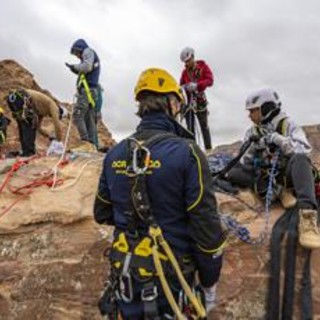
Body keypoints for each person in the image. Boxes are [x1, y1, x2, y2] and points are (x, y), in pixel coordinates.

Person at [94, 68, 226, 319]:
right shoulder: (187, 153)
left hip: (125, 280)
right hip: (170, 283)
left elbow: (101, 212)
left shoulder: (114, 154)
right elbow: (206, 229)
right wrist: (209, 283)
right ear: (173, 103)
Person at [225, 88, 320, 249]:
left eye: (253, 111)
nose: (249, 116)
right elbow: (244, 161)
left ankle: (307, 217)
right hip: (265, 174)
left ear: (266, 108)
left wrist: (278, 140)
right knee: (233, 173)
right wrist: (253, 147)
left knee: (300, 160)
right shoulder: (252, 131)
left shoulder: (288, 124)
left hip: (287, 173)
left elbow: (304, 150)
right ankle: (280, 192)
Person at [66, 38, 100, 152]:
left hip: (87, 91)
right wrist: (74, 69)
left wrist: (74, 67)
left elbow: (87, 67)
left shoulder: (88, 51)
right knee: (88, 118)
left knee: (77, 115)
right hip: (90, 91)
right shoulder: (88, 55)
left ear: (79, 49)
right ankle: (91, 146)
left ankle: (86, 143)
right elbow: (86, 70)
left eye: (76, 53)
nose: (76, 56)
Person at [6, 88, 64, 156]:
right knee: (30, 125)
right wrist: (59, 140)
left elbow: (38, 127)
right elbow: (57, 125)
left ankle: (25, 151)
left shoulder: (42, 108)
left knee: (23, 125)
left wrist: (49, 136)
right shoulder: (54, 106)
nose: (50, 116)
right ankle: (29, 152)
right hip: (23, 100)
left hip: (15, 99)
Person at [179, 47, 213, 152]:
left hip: (200, 100)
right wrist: (185, 87)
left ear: (193, 57)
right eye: (185, 62)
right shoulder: (185, 73)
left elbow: (210, 80)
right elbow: (180, 85)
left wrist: (197, 85)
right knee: (190, 128)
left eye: (188, 61)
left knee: (204, 126)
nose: (187, 63)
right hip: (189, 103)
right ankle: (193, 150)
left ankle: (208, 150)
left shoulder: (203, 67)